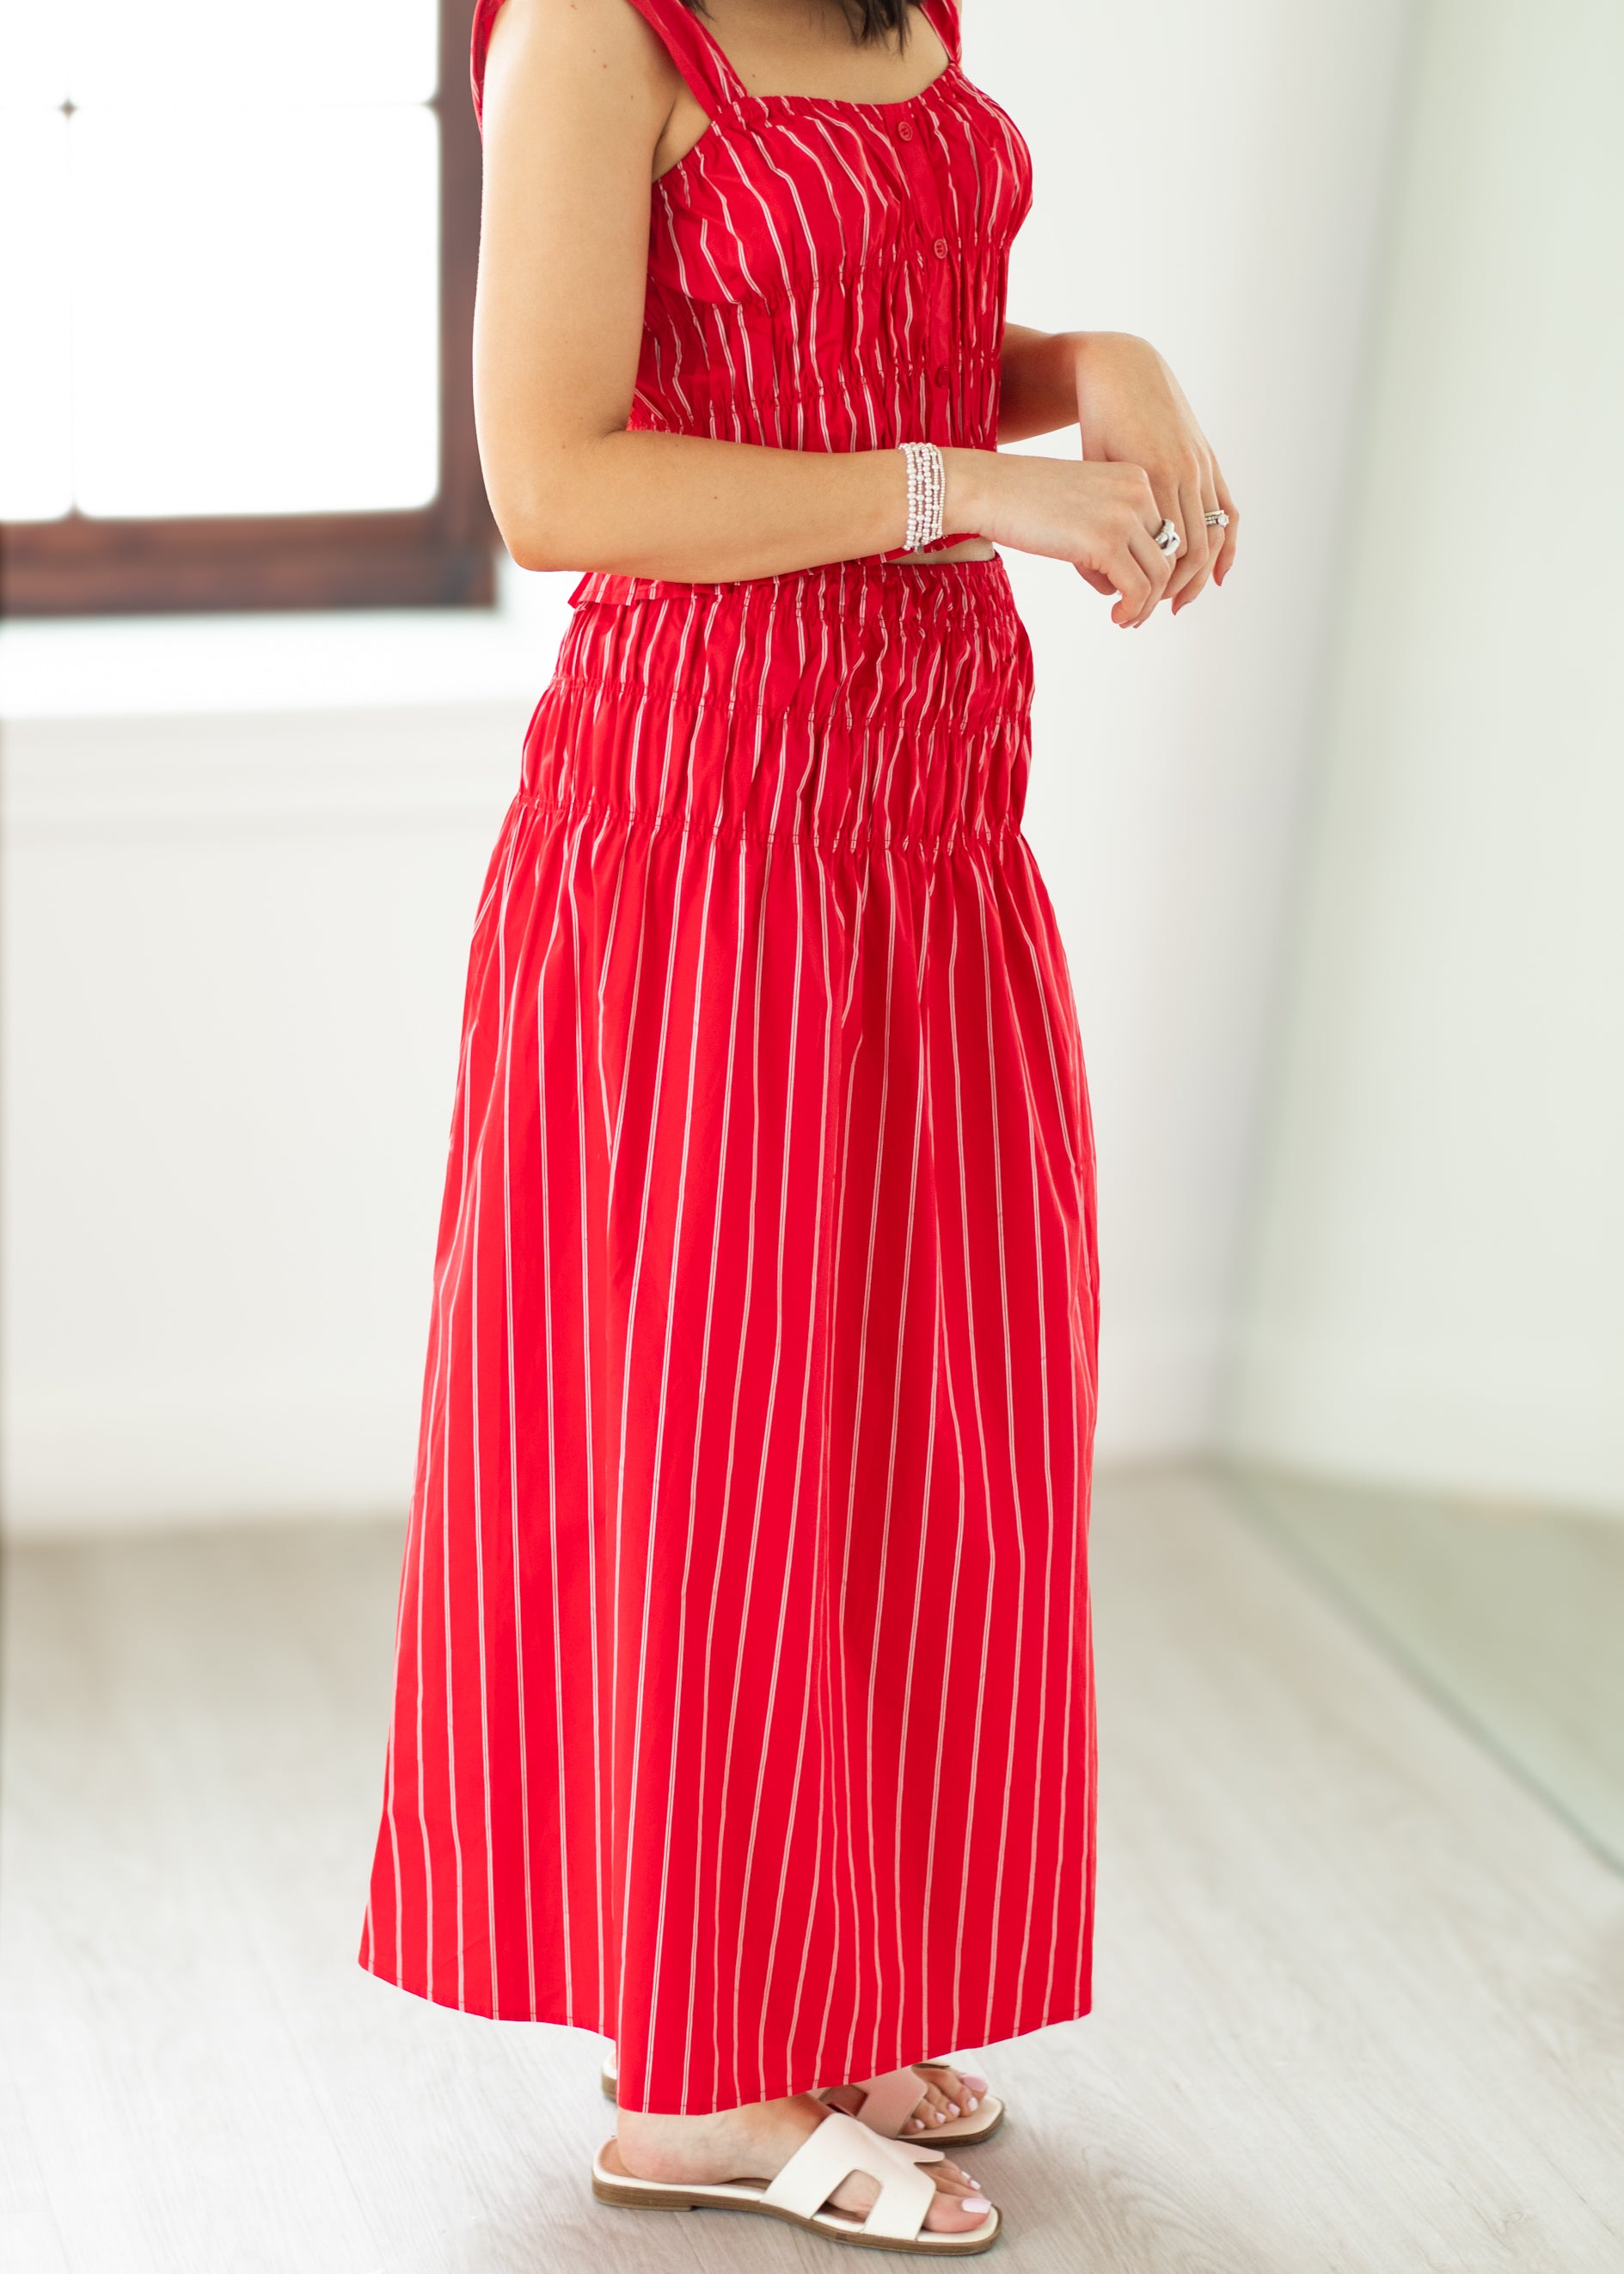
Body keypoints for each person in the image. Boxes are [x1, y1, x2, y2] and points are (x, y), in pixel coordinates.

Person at [358, 0, 1236, 2253]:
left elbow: (854, 332)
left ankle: (810, 1994)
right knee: (724, 1437)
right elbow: (560, 476)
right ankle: (698, 2086)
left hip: (923, 814)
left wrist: (1084, 363)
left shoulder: (894, 8)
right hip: (712, 838)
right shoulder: (594, 33)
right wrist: (983, 485)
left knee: (908, 1417)